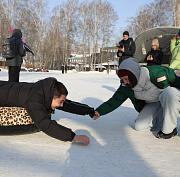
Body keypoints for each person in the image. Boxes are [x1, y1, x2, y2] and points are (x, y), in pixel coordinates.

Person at [94, 58, 180, 139]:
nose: (125, 82)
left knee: (169, 92)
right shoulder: (126, 86)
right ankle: (169, 120)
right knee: (140, 126)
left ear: (134, 74)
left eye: (126, 79)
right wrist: (99, 111)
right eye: (122, 79)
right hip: (155, 104)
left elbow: (177, 78)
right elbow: (115, 100)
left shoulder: (157, 73)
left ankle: (170, 130)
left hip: (172, 99)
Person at [0, 77, 98, 145]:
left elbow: (67, 104)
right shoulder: (34, 99)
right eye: (60, 102)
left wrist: (89, 111)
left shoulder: (46, 90)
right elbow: (45, 124)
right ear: (52, 97)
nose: (62, 105)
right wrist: (72, 136)